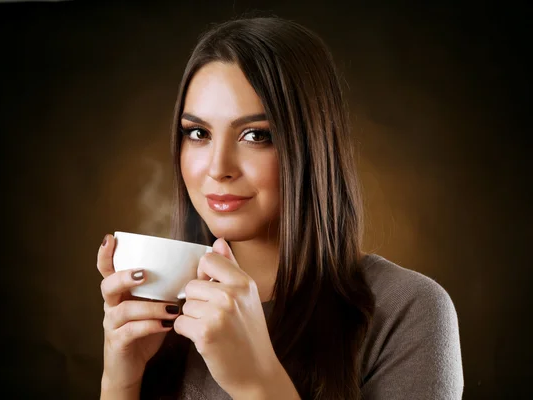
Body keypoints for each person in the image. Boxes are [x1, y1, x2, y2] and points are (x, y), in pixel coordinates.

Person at [96, 16, 464, 400]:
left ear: (311, 144)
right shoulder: (161, 311)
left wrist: (257, 381)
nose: (218, 168)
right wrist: (121, 380)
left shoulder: (407, 310)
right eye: (198, 133)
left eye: (256, 135)